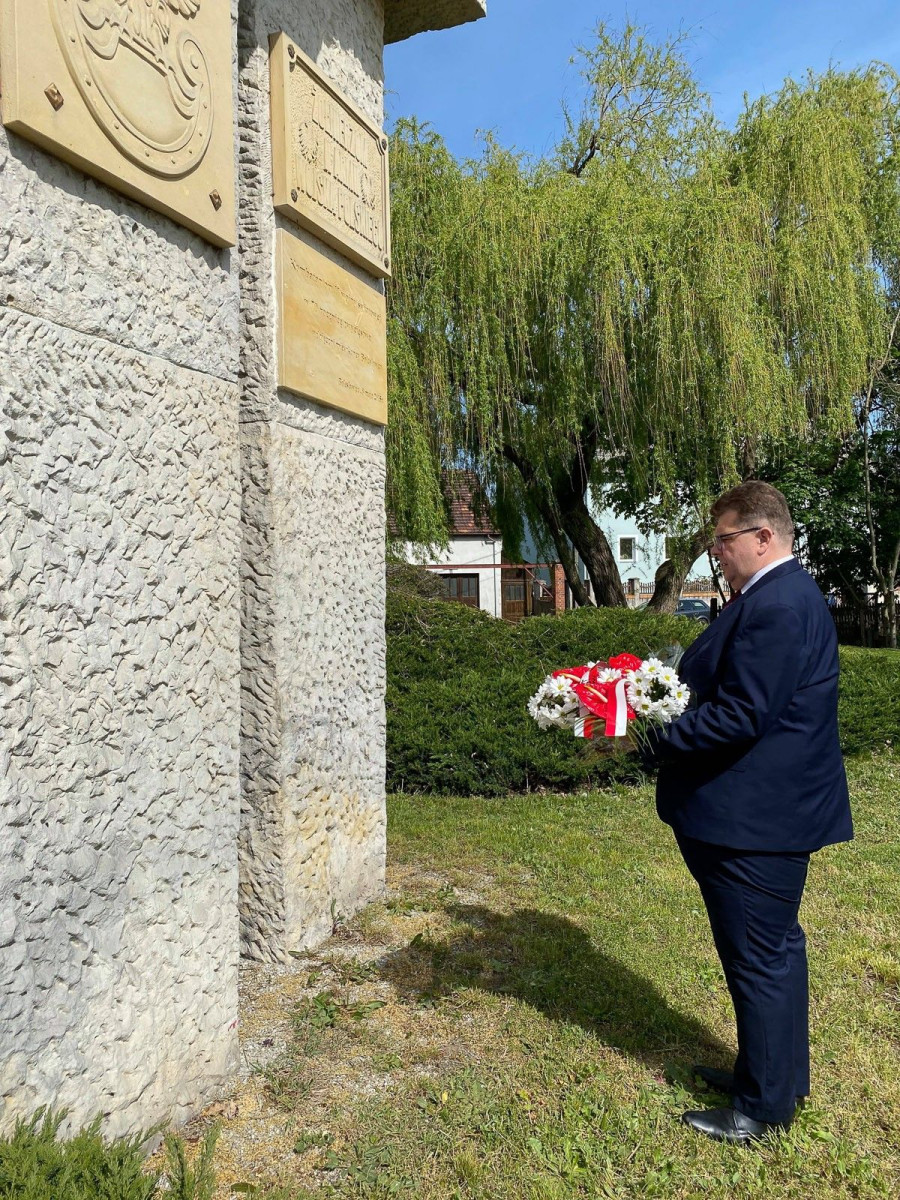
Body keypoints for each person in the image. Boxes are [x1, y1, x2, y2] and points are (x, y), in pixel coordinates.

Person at [651, 481, 852, 1145]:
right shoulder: (776, 596)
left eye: (724, 539)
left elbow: (741, 715)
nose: (717, 552)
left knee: (759, 958)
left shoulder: (779, 605)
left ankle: (762, 1109)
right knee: (775, 951)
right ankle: (774, 1078)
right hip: (765, 814)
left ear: (764, 537)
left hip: (755, 823)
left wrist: (652, 731)